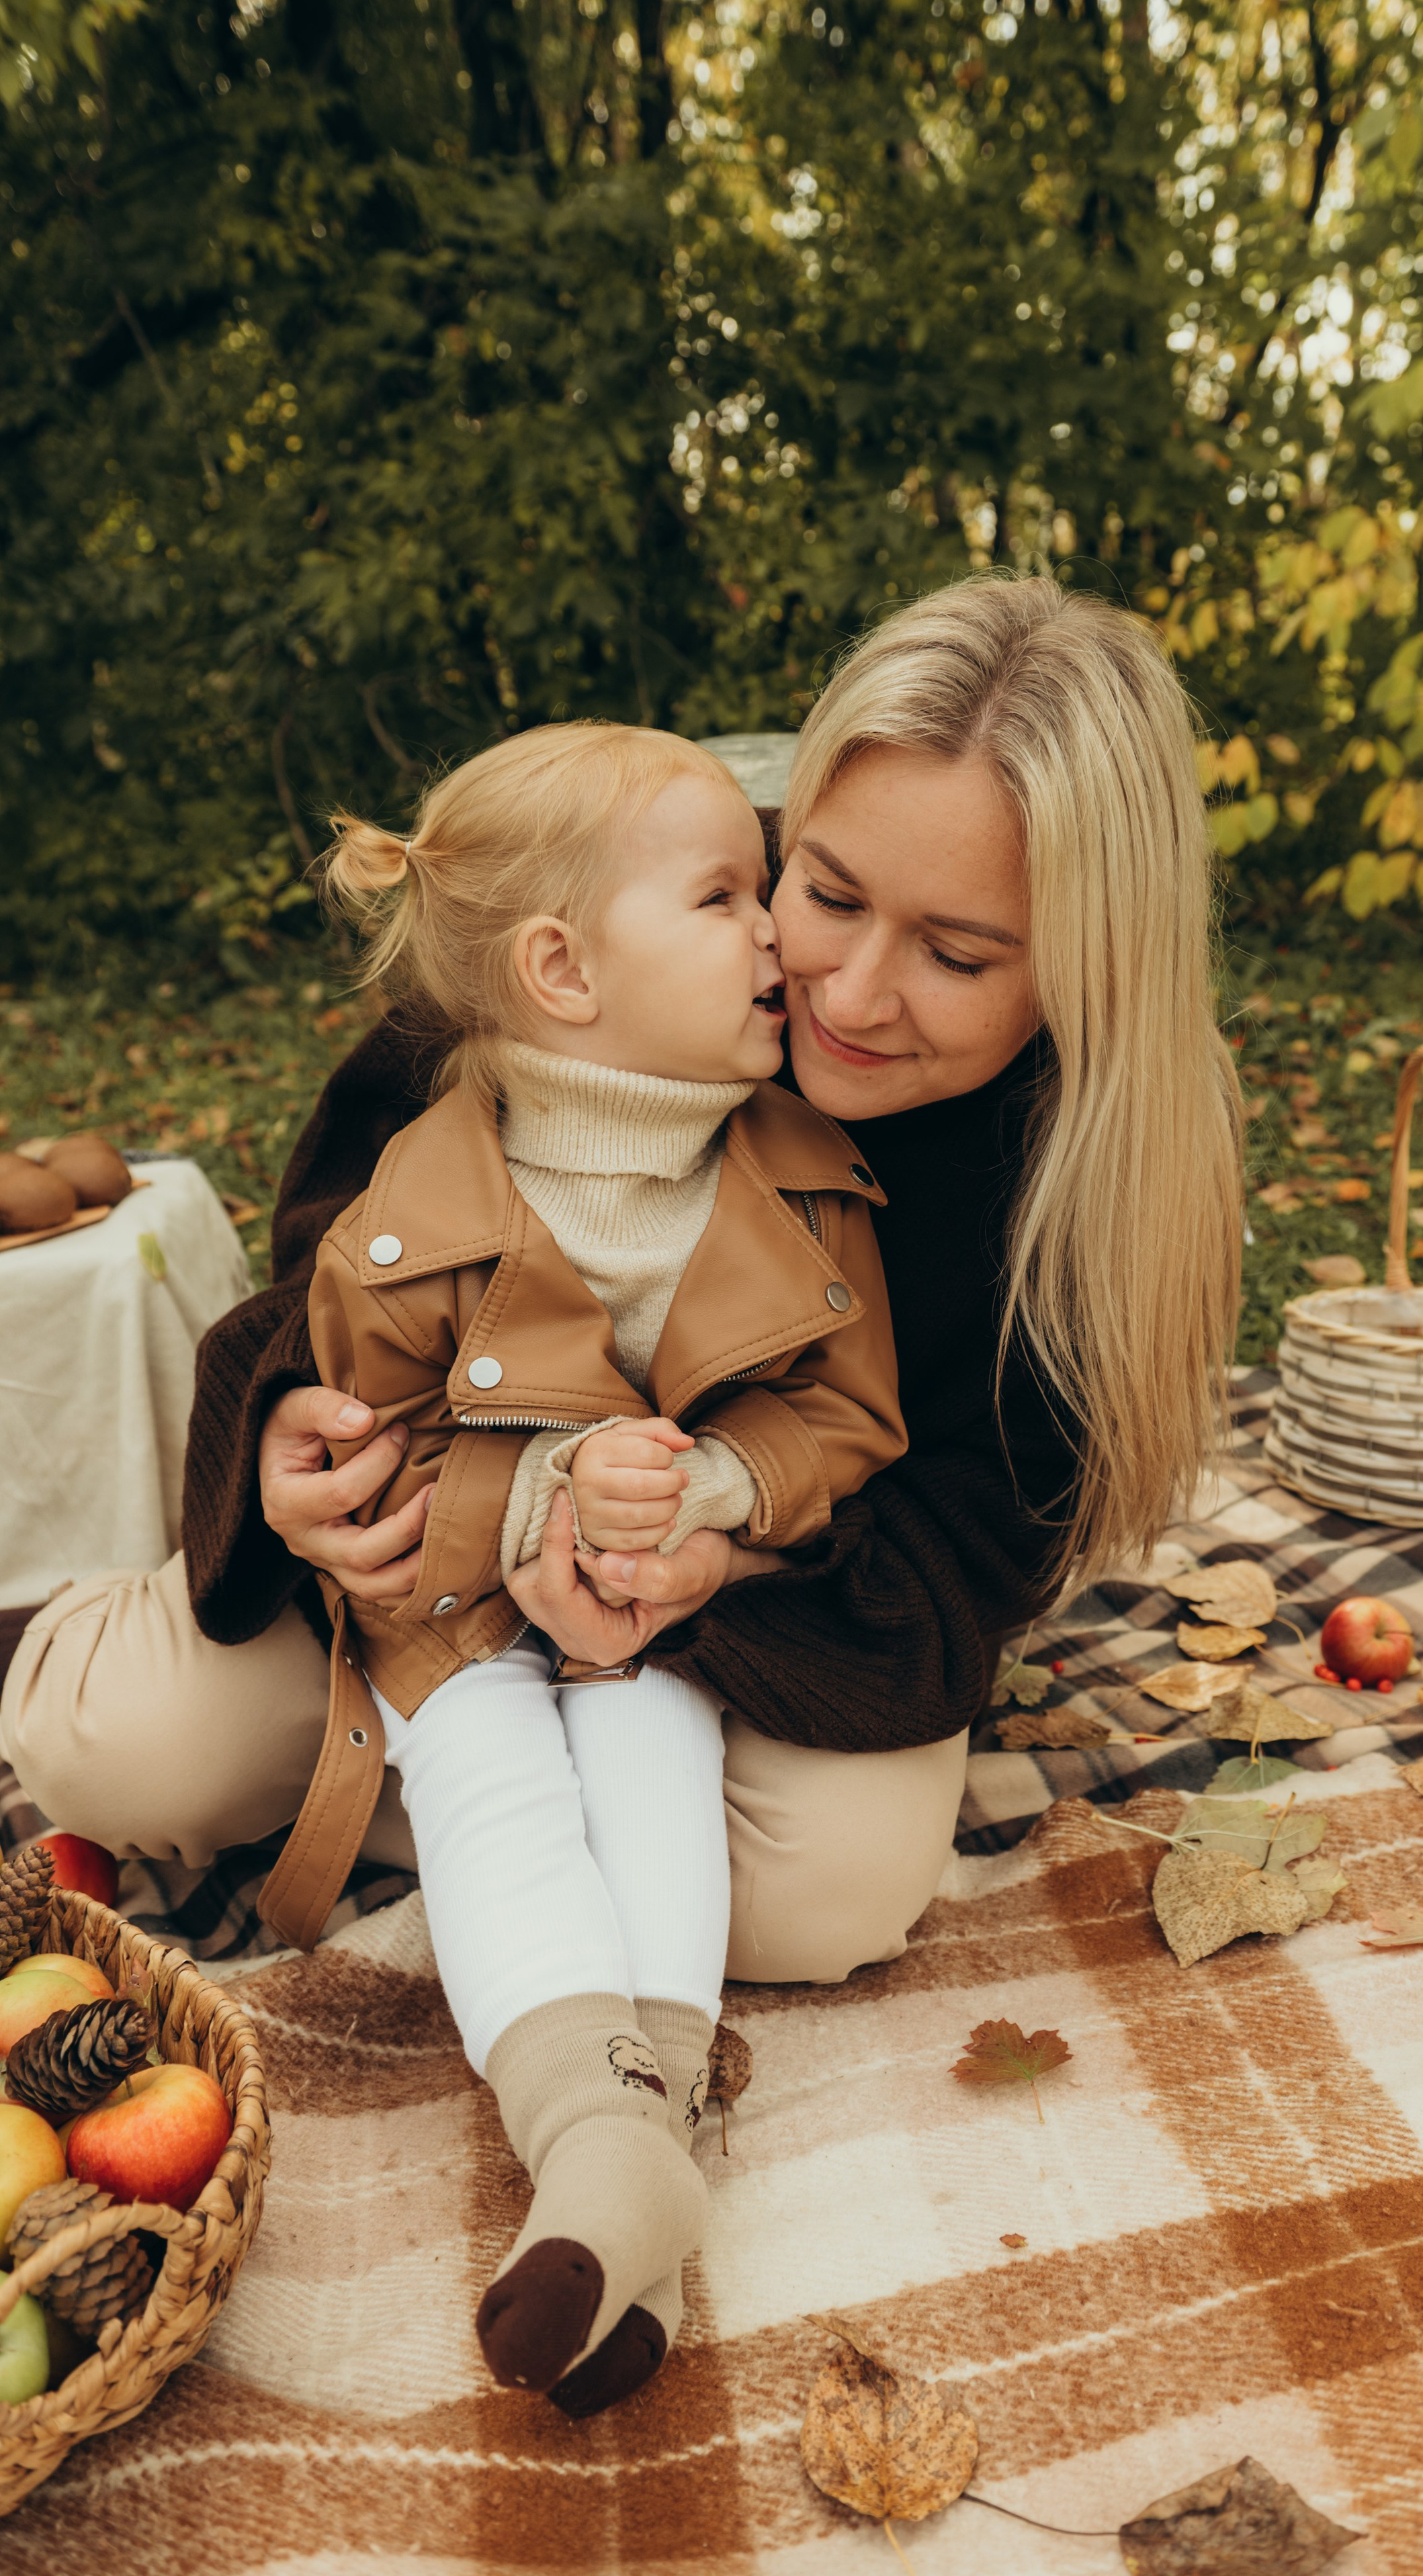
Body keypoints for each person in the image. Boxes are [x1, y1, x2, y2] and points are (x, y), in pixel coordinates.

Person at [3, 572, 1244, 2307]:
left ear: (1087, 969)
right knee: (108, 1746)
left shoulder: (1077, 1179)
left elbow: (976, 1531)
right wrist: (306, 1436)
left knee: (838, 1889)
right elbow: (340, 1246)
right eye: (821, 889)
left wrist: (710, 1557)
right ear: (783, 832)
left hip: (760, 1616)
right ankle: (414, 1772)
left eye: (959, 955)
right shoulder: (609, 908)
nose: (851, 988)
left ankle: (498, 1844)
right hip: (446, 1561)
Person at [279, 721, 905, 2418]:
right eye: (724, 896)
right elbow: (370, 1439)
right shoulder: (409, 1210)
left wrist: (714, 1487)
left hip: (672, 1617)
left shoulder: (803, 1178)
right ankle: (615, 2147)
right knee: (490, 1789)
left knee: (655, 1773)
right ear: (560, 968)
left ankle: (616, 2182)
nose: (776, 930)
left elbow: (845, 1420)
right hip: (466, 1616)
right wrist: (546, 1486)